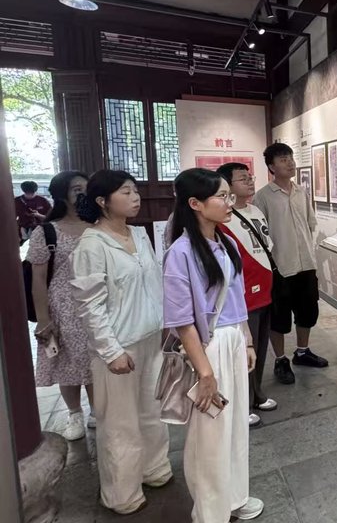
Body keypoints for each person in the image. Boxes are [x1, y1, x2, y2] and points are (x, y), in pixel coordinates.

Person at [162, 168, 263, 523]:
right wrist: (205, 373)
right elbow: (181, 321)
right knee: (209, 434)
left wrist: (247, 341)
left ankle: (235, 497)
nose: (229, 202)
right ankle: (210, 512)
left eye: (228, 195)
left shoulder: (227, 243)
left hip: (233, 340)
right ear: (195, 204)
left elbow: (237, 299)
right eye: (221, 196)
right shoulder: (181, 253)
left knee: (234, 426)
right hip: (207, 347)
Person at [70, 170, 171, 515]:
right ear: (102, 201)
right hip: (119, 347)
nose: (135, 197)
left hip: (150, 338)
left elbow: (154, 284)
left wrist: (166, 324)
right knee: (119, 423)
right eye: (126, 192)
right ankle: (122, 493)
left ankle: (154, 468)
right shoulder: (92, 245)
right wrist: (111, 351)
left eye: (135, 191)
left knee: (152, 411)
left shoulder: (139, 234)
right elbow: (89, 306)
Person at [254, 143, 328, 386]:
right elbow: (260, 236)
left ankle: (302, 352)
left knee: (307, 312)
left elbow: (309, 224)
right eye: (283, 159)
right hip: (280, 267)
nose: (290, 162)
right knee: (279, 317)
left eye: (291, 158)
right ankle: (280, 359)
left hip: (306, 264)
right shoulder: (263, 197)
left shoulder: (301, 192)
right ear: (271, 166)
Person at [29, 171, 94, 441]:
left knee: (96, 360)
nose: (83, 193)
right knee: (67, 364)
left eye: (86, 188)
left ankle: (97, 411)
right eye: (76, 189)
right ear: (61, 195)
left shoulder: (100, 225)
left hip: (97, 304)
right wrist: (44, 319)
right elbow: (38, 280)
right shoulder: (46, 232)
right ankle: (75, 413)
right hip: (64, 307)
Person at [216, 162, 278, 428]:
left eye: (250, 177)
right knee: (243, 351)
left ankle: (257, 394)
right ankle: (242, 402)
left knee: (261, 347)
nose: (250, 181)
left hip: (265, 289)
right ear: (227, 185)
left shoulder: (255, 211)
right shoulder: (223, 219)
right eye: (243, 179)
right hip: (243, 295)